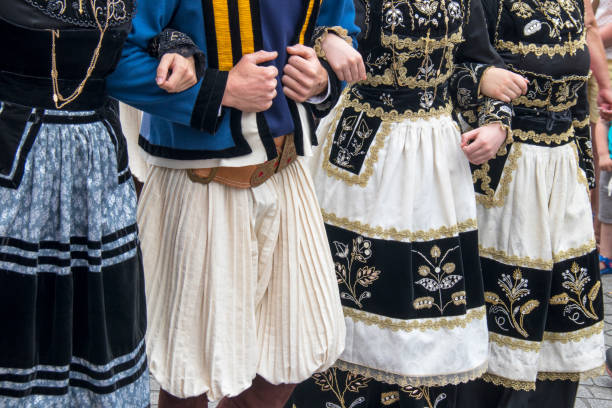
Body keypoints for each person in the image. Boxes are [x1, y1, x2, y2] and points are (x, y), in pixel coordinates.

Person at [106, 1, 365, 407]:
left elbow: (341, 24)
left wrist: (323, 79)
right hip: (201, 181)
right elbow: (109, 54)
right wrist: (219, 88)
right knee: (189, 376)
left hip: (286, 173)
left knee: (291, 359)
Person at [284, 0, 528, 407]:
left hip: (435, 163)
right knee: (349, 293)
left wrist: (495, 124)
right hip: (363, 156)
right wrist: (326, 40)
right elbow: (304, 27)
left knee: (423, 299)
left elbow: (471, 63)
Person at [0, 0, 196, 406]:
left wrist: (177, 46)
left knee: (100, 335)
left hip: (97, 175)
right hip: (14, 166)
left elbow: (148, 32)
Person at [454, 1, 608, 407]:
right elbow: (451, 66)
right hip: (505, 172)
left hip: (562, 174)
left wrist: (583, 174)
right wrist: (489, 110)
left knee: (561, 303)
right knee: (504, 304)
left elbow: (579, 95)